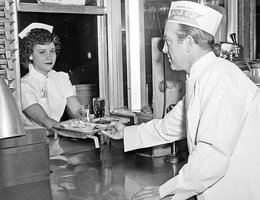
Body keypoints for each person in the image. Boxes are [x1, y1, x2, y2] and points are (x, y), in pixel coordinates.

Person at [107, 1, 260, 200]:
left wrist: (168, 191)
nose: (163, 49)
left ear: (188, 43)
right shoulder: (201, 78)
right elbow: (170, 126)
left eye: (168, 42)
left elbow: (212, 155)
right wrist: (126, 133)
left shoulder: (221, 78)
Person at [19, 23, 82, 132]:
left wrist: (90, 123)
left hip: (58, 136)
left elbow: (77, 111)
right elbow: (45, 121)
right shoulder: (24, 85)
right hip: (33, 143)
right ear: (30, 55)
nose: (49, 56)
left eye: (52, 51)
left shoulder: (61, 78)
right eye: (42, 52)